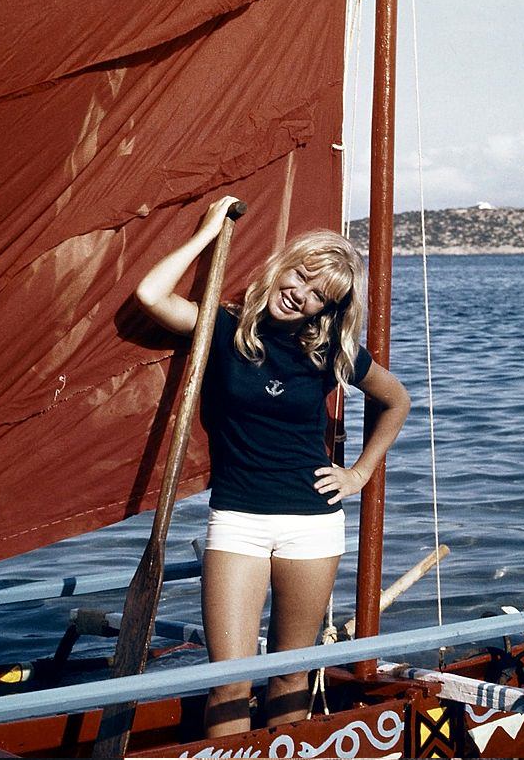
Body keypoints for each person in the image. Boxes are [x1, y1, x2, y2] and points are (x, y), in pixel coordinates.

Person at [135, 195, 410, 737]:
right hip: (237, 519)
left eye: (317, 296)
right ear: (280, 267)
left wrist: (358, 474)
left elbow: (396, 401)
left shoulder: (329, 352)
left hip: (313, 523)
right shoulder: (222, 328)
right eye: (300, 277)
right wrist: (209, 233)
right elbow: (149, 294)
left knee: (289, 676)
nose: (300, 296)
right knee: (230, 682)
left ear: (326, 310)